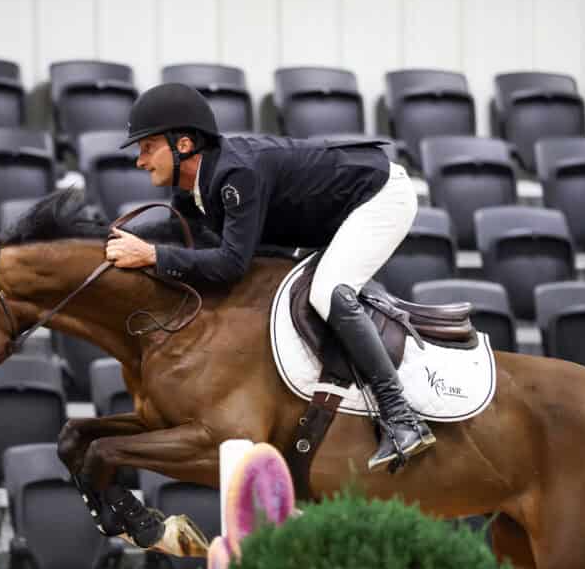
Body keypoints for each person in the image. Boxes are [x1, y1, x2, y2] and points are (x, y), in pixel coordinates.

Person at [105, 82, 434, 471]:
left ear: (183, 145)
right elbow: (205, 259)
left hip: (378, 197)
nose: (140, 161)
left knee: (329, 291)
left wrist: (152, 255)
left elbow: (228, 265)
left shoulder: (235, 174)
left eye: (147, 148)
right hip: (327, 213)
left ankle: (402, 417)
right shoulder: (190, 192)